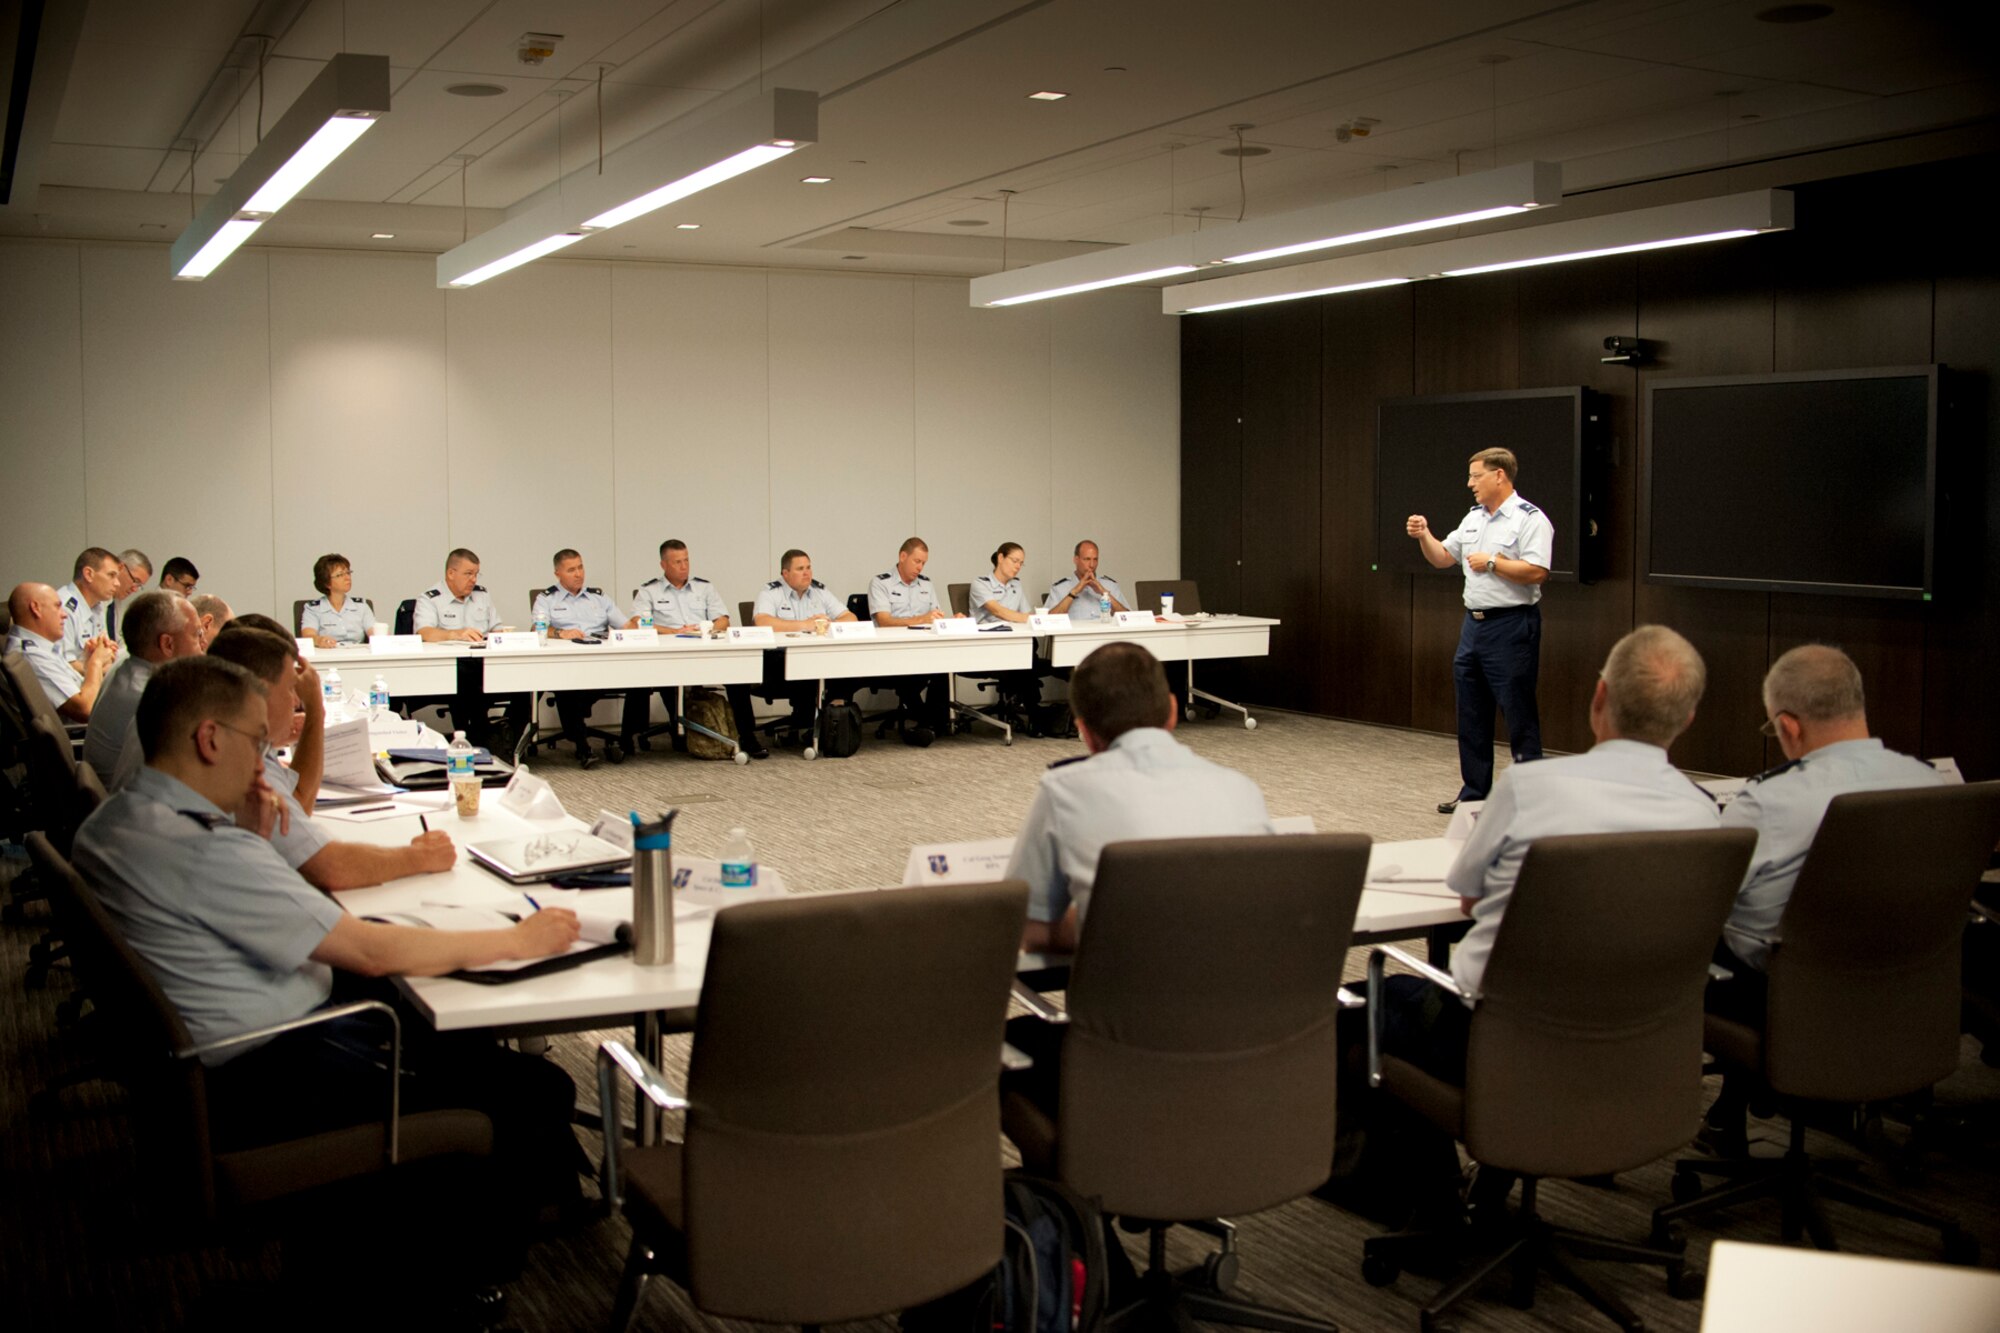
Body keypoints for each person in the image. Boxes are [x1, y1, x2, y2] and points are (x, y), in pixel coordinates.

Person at [71, 655, 585, 1219]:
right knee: (533, 1088)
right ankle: (469, 1265)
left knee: (448, 1034)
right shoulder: (204, 848)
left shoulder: (114, 822)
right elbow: (366, 952)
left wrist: (250, 837)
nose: (263, 765)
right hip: (273, 1074)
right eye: (257, 742)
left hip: (211, 1069)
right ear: (210, 739)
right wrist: (520, 940)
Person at [1363, 625, 1718, 1221]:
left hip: (1494, 1039)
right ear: (1686, 720)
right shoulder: (1706, 817)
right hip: (1637, 1037)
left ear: (1598, 697)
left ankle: (1432, 1206)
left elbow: (1470, 901)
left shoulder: (1529, 790)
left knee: (1361, 1004)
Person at [1700, 644, 1944, 1150]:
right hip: (1908, 994)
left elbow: (1702, 901)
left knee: (1710, 937)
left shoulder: (1768, 801)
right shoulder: (1929, 784)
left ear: (1788, 727)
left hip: (1788, 1004)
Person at [1005, 640, 1273, 955]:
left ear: (1085, 734)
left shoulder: (1064, 791)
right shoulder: (1242, 789)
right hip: (1250, 996)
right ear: (1173, 713)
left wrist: (1093, 920)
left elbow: (1031, 929)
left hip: (1131, 1000)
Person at [206, 626, 457, 889]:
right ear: (260, 692)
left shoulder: (241, 745)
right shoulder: (243, 763)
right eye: (291, 688)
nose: (295, 701)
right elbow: (329, 867)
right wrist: (418, 857)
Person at [1407, 447, 1553, 815]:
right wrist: (1425, 535)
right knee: (1471, 714)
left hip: (1512, 626)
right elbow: (1443, 558)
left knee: (1518, 714)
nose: (1469, 483)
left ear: (1499, 475)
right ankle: (1475, 794)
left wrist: (1492, 562)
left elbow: (1537, 572)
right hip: (1473, 626)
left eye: (1476, 476)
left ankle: (1530, 800)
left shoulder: (1529, 519)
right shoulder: (1473, 518)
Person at [622, 538, 768, 760]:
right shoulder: (649, 591)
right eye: (677, 562)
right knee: (637, 676)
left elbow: (723, 620)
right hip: (666, 656)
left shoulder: (704, 587)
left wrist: (706, 629)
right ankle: (627, 739)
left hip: (703, 650)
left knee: (737, 675)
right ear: (664, 565)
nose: (684, 566)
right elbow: (637, 623)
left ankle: (748, 735)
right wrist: (674, 632)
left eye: (686, 560)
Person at [84, 590, 205, 784]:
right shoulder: (153, 699)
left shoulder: (126, 661)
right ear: (167, 644)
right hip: (122, 801)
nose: (203, 644)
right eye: (197, 634)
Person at [413, 548, 525, 750]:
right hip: (454, 668)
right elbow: (424, 633)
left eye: (476, 574)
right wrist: (455, 634)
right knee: (466, 679)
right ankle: (482, 736)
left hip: (485, 662)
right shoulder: (430, 599)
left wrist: (503, 635)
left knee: (528, 680)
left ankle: (507, 736)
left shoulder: (482, 596)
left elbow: (496, 628)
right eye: (468, 574)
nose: (473, 579)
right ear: (450, 573)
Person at [531, 549, 627, 769]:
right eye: (571, 569)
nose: (578, 574)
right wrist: (559, 633)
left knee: (636, 680)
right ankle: (583, 747)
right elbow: (538, 628)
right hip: (566, 665)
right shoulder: (546, 599)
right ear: (558, 573)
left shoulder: (599, 598)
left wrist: (642, 626)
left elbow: (625, 625)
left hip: (601, 663)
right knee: (566, 688)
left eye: (580, 567)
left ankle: (625, 741)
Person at [752, 549, 857, 737]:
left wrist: (828, 624)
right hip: (780, 663)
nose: (807, 573)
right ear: (785, 574)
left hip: (818, 659)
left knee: (846, 664)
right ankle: (814, 724)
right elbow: (762, 621)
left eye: (808, 567)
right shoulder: (771, 592)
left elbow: (851, 618)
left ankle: (831, 726)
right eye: (800, 569)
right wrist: (805, 625)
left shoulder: (819, 591)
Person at [868, 536, 958, 747]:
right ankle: (928, 724)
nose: (920, 567)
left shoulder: (926, 584)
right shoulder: (880, 583)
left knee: (944, 667)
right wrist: (921, 619)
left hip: (923, 648)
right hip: (891, 651)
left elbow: (934, 616)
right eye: (917, 561)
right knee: (907, 674)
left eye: (924, 563)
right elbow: (883, 620)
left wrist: (951, 621)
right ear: (902, 556)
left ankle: (932, 725)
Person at [5, 582, 116, 721]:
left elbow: (82, 691)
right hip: (81, 732)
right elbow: (86, 709)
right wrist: (96, 662)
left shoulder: (42, 648)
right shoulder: (32, 656)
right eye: (57, 606)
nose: (64, 614)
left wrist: (89, 664)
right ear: (36, 608)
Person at [969, 542, 1046, 735]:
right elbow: (999, 611)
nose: (1018, 566)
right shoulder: (981, 583)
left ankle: (1033, 710)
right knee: (1029, 662)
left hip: (1015, 645)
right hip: (987, 647)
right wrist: (1031, 618)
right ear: (1001, 558)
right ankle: (1034, 711)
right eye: (1014, 560)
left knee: (1030, 649)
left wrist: (1032, 619)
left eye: (1021, 563)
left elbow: (1025, 613)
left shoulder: (1016, 585)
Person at [55, 547, 122, 670]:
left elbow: (105, 653)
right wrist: (99, 670)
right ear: (88, 574)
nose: (117, 583)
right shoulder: (63, 609)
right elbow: (66, 665)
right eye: (111, 575)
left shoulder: (98, 605)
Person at [300, 552, 373, 646]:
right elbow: (308, 636)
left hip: (358, 655)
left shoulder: (361, 606)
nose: (347, 578)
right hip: (327, 655)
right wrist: (319, 640)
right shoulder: (313, 608)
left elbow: (374, 633)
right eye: (340, 575)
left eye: (348, 572)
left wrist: (381, 636)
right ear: (327, 583)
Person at [1046, 540, 1128, 621]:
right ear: (1076, 560)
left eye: (1095, 559)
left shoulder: (1110, 586)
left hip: (1105, 633)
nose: (1092, 565)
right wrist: (1073, 592)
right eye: (1087, 559)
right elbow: (1047, 621)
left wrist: (1104, 593)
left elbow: (1129, 618)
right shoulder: (1059, 588)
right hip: (1075, 634)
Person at [107, 549, 151, 639]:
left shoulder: (117, 603)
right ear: (121, 568)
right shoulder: (95, 600)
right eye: (135, 581)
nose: (134, 589)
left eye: (139, 585)